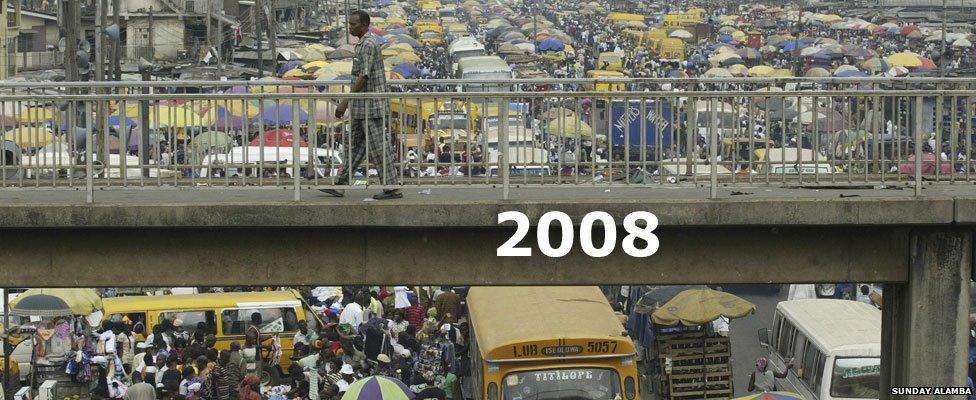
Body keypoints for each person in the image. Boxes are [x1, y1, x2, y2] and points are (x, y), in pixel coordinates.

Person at [320, 10, 402, 200]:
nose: (350, 27)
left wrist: (344, 102)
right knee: (355, 147)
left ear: (365, 25)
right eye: (349, 24)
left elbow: (363, 76)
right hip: (361, 106)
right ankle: (340, 184)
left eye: (354, 24)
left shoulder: (368, 45)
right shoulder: (361, 44)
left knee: (379, 148)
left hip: (371, 106)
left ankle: (392, 187)